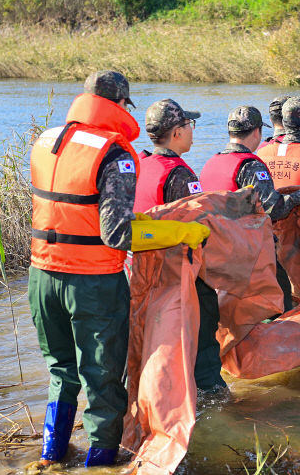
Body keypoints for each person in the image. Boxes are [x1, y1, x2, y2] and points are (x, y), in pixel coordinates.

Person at [28, 71, 209, 468]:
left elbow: (77, 210)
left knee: (61, 371)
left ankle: (50, 457)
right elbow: (116, 233)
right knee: (103, 380)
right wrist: (180, 231)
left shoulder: (48, 140)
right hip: (92, 283)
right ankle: (100, 465)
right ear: (121, 105)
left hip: (41, 275)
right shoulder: (114, 153)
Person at [134, 99, 226, 392]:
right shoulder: (180, 175)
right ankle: (215, 406)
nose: (191, 131)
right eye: (189, 125)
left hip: (142, 275)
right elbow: (204, 228)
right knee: (203, 349)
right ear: (176, 132)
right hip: (179, 276)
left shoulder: (139, 164)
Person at [199, 106, 300, 311]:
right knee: (278, 303)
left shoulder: (210, 163)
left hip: (213, 254)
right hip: (248, 254)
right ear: (256, 132)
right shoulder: (251, 165)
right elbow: (274, 209)